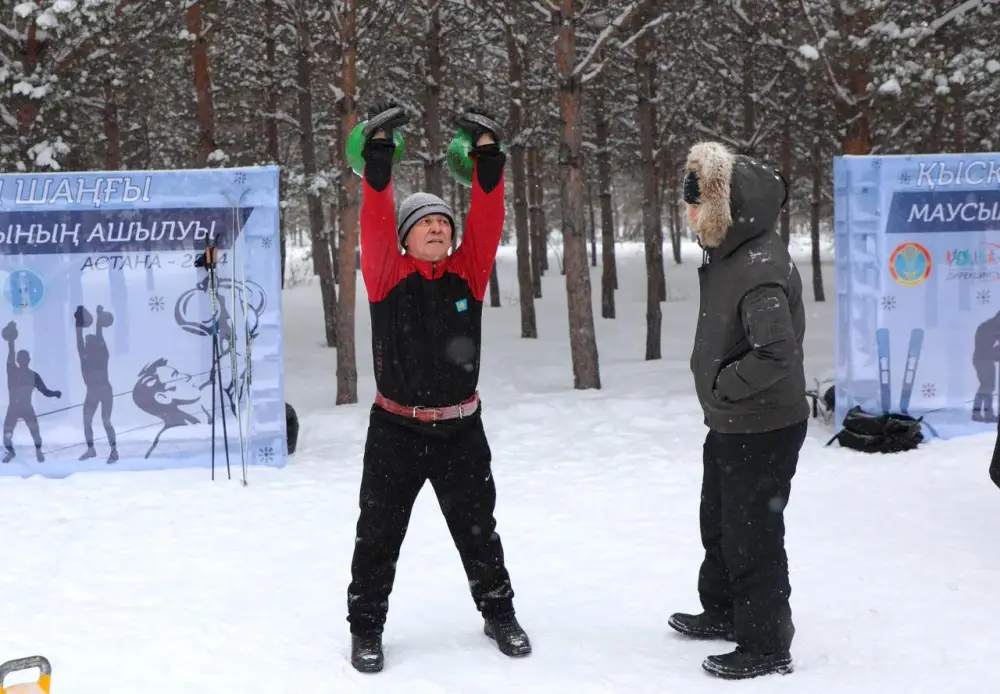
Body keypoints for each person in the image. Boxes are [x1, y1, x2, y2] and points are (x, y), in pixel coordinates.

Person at [346, 100, 530, 674]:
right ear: (405, 237)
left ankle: (499, 614)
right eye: (425, 222)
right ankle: (366, 629)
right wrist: (379, 159)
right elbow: (374, 215)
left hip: (460, 430)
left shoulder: (467, 273)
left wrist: (486, 161)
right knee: (377, 536)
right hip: (395, 429)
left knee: (480, 533)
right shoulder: (385, 274)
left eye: (443, 223)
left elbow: (487, 218)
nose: (437, 227)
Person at [669, 141, 810, 680]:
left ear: (724, 207)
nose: (688, 215)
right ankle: (724, 609)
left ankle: (766, 643)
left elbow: (777, 351)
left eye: (695, 204)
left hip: (762, 423)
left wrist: (727, 386)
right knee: (721, 521)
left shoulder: (757, 266)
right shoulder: (735, 251)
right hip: (734, 420)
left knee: (753, 534)